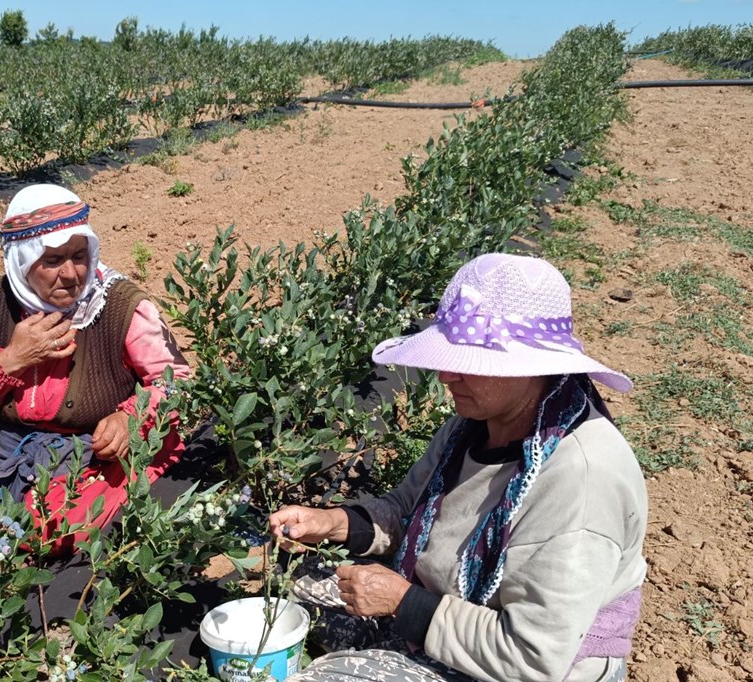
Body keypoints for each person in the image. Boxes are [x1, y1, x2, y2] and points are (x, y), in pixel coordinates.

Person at [270, 253, 648, 682]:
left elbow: (533, 657)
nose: (447, 376)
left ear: (529, 369)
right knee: (303, 578)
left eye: (467, 362)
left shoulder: (580, 479)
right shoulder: (475, 426)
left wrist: (403, 602)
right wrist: (333, 523)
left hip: (528, 665)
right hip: (454, 608)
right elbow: (409, 509)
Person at [0, 184, 190, 554]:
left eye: (79, 255)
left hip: (90, 452)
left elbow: (175, 381)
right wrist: (10, 359)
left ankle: (26, 547)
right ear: (22, 262)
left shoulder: (119, 305)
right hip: (4, 441)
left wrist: (129, 419)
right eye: (52, 260)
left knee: (61, 520)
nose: (71, 274)